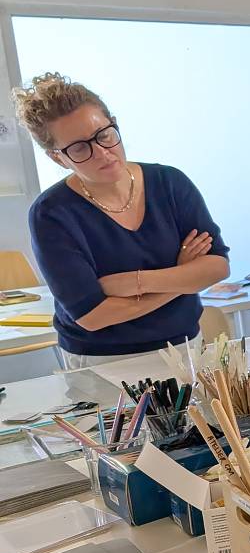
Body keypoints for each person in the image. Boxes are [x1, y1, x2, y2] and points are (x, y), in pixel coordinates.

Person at [14, 73, 229, 367]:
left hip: (185, 345)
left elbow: (217, 267)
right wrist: (183, 278)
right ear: (57, 157)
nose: (102, 153)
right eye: (79, 148)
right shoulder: (51, 214)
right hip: (100, 360)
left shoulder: (169, 182)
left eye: (104, 135)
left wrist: (137, 282)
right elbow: (92, 316)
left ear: (114, 124)